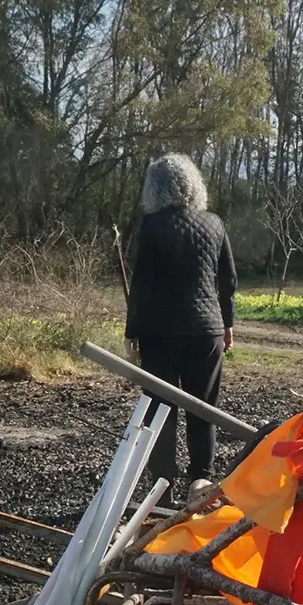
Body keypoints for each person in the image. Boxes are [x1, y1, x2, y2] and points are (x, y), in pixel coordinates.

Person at [125, 152, 236, 491]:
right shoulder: (214, 223)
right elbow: (228, 279)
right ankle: (200, 482)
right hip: (207, 331)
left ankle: (162, 486)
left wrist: (133, 330)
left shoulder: (152, 226)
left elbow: (142, 283)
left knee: (161, 409)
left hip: (161, 333)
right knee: (204, 408)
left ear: (154, 190)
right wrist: (227, 323)